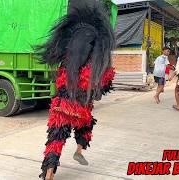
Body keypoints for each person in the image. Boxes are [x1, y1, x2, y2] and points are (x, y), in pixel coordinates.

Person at [37, 1, 116, 179]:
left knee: (56, 137)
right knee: (85, 126)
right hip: (81, 105)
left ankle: (49, 174)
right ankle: (79, 150)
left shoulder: (66, 56)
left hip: (63, 104)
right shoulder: (96, 57)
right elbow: (102, 85)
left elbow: (60, 81)